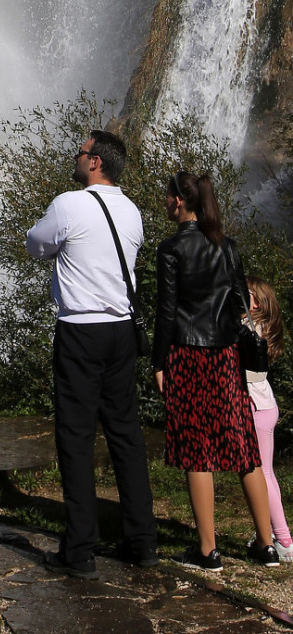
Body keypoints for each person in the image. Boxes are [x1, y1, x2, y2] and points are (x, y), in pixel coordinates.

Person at [25, 129, 159, 577]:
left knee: (76, 438)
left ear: (95, 162)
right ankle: (142, 542)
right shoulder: (133, 213)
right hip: (121, 331)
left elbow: (35, 245)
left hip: (80, 331)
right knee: (126, 434)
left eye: (80, 152)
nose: (76, 157)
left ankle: (80, 550)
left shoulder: (69, 203)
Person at [153, 170, 277, 569]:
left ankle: (208, 551)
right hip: (225, 357)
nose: (164, 202)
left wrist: (158, 362)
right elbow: (244, 305)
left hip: (188, 356)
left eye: (166, 196)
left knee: (197, 451)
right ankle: (266, 544)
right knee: (244, 450)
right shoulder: (229, 247)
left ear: (178, 201)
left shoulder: (171, 249)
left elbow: (167, 313)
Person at [241, 279, 293, 561]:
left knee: (261, 473)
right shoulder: (259, 327)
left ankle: (282, 538)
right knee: (266, 472)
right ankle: (276, 534)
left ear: (257, 302)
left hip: (256, 407)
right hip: (265, 405)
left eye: (243, 293)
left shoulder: (251, 327)